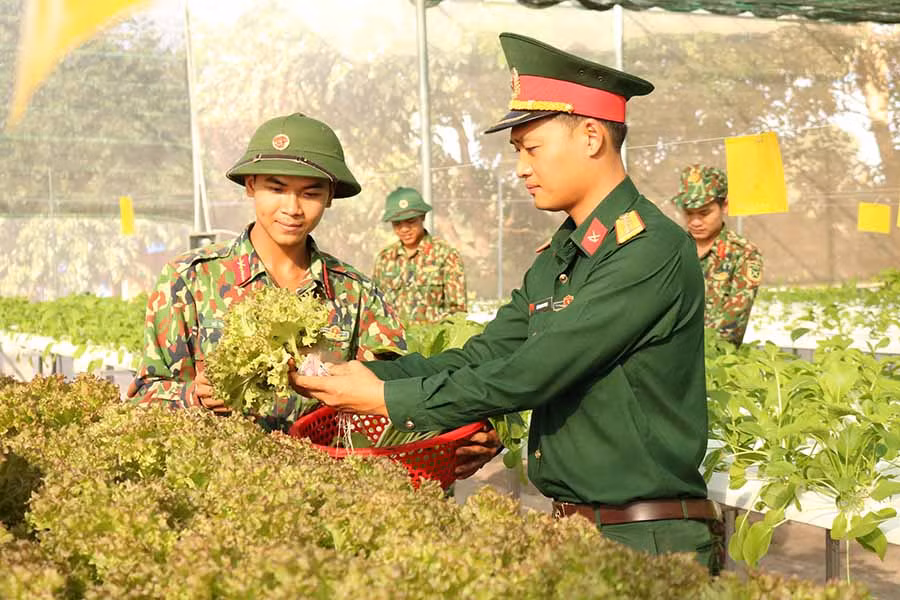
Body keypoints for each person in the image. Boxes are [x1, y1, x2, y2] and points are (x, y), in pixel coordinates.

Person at [290, 33, 723, 574]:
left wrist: (387, 400)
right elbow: (487, 353)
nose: (520, 168)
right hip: (581, 533)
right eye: (517, 151)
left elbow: (533, 372)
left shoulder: (647, 249)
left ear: (591, 136)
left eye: (531, 148)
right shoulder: (562, 256)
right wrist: (373, 374)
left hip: (648, 542)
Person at [125, 113, 497, 477]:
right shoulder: (189, 280)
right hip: (222, 486)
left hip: (325, 489)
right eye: (276, 188)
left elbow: (392, 401)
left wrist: (459, 435)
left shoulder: (356, 293)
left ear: (330, 196)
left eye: (310, 193)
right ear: (250, 185)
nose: (292, 208)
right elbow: (144, 395)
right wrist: (194, 396)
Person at [672, 165, 763, 346]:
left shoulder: (743, 253)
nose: (695, 222)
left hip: (714, 354)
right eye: (689, 213)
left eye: (704, 213)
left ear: (725, 206)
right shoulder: (672, 249)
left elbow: (733, 321)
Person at [372, 187, 467, 324]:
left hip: (433, 336)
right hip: (394, 336)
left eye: (411, 221)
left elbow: (457, 311)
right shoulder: (385, 258)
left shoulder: (446, 255)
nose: (404, 229)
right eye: (397, 224)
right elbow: (376, 305)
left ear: (422, 217)